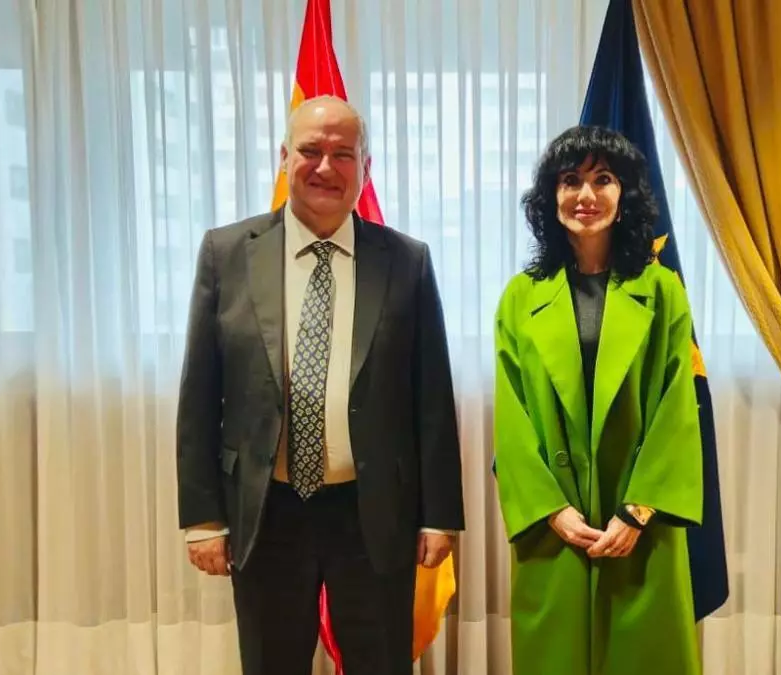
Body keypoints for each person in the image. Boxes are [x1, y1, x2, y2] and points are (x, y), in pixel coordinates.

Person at [176, 95, 465, 675]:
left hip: (373, 508)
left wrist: (439, 515)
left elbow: (431, 399)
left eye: (343, 154)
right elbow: (200, 394)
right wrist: (203, 517)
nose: (326, 167)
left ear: (366, 167)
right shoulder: (226, 254)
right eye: (310, 151)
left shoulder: (406, 261)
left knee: (381, 663)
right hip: (267, 507)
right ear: (284, 158)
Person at [492, 125, 704, 674]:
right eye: (571, 180)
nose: (586, 195)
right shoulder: (520, 297)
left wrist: (637, 511)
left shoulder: (662, 291)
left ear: (624, 193)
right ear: (551, 196)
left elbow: (677, 410)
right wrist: (551, 510)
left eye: (603, 179)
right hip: (555, 526)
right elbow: (511, 421)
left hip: (639, 522)